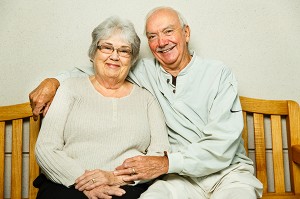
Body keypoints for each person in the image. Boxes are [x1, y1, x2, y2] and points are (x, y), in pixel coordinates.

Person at [30, 7, 263, 199]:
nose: (162, 42)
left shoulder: (219, 74)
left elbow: (221, 147)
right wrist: (53, 82)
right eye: (152, 36)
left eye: (169, 31)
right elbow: (99, 67)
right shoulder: (143, 71)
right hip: (179, 178)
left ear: (186, 33)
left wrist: (165, 163)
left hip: (226, 173)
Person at [33, 16, 170, 199]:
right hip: (68, 183)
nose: (114, 56)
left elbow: (159, 154)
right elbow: (46, 148)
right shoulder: (69, 89)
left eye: (124, 51)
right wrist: (85, 182)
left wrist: (115, 178)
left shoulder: (147, 99)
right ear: (93, 53)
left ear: (132, 59)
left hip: (125, 187)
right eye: (106, 47)